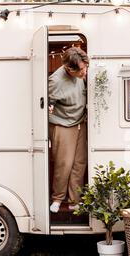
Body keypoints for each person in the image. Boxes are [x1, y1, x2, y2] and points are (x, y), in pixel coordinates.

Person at [48, 47, 89, 213]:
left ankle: (74, 201)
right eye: (81, 70)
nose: (84, 72)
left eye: (86, 67)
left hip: (80, 121)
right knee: (64, 163)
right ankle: (57, 198)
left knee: (79, 162)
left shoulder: (83, 71)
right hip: (62, 123)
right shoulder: (55, 81)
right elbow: (46, 105)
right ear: (68, 68)